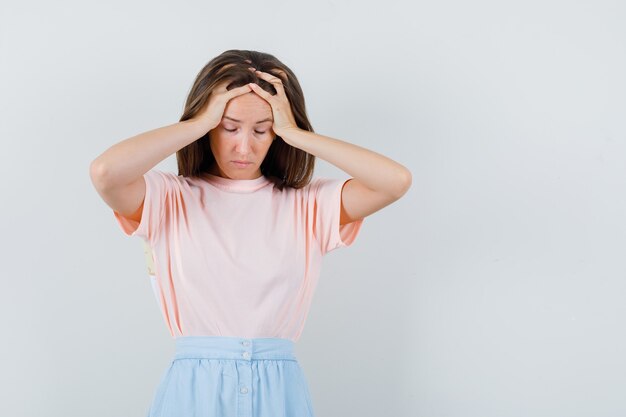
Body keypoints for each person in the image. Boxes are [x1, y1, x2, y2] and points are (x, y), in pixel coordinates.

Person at [89, 49, 412, 417]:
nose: (245, 146)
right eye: (229, 127)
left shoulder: (307, 206)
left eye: (262, 130)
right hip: (195, 391)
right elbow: (105, 172)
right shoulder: (170, 198)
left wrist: (295, 133)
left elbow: (395, 181)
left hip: (280, 392)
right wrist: (197, 124)